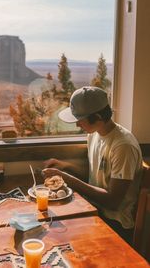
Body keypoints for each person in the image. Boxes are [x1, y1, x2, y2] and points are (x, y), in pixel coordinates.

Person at [43, 86, 143, 243]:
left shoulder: (123, 146)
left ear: (97, 117)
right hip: (94, 209)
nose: (77, 125)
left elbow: (113, 202)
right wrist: (65, 166)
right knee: (49, 229)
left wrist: (66, 178)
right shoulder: (94, 134)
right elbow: (95, 177)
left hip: (115, 223)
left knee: (58, 238)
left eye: (80, 120)